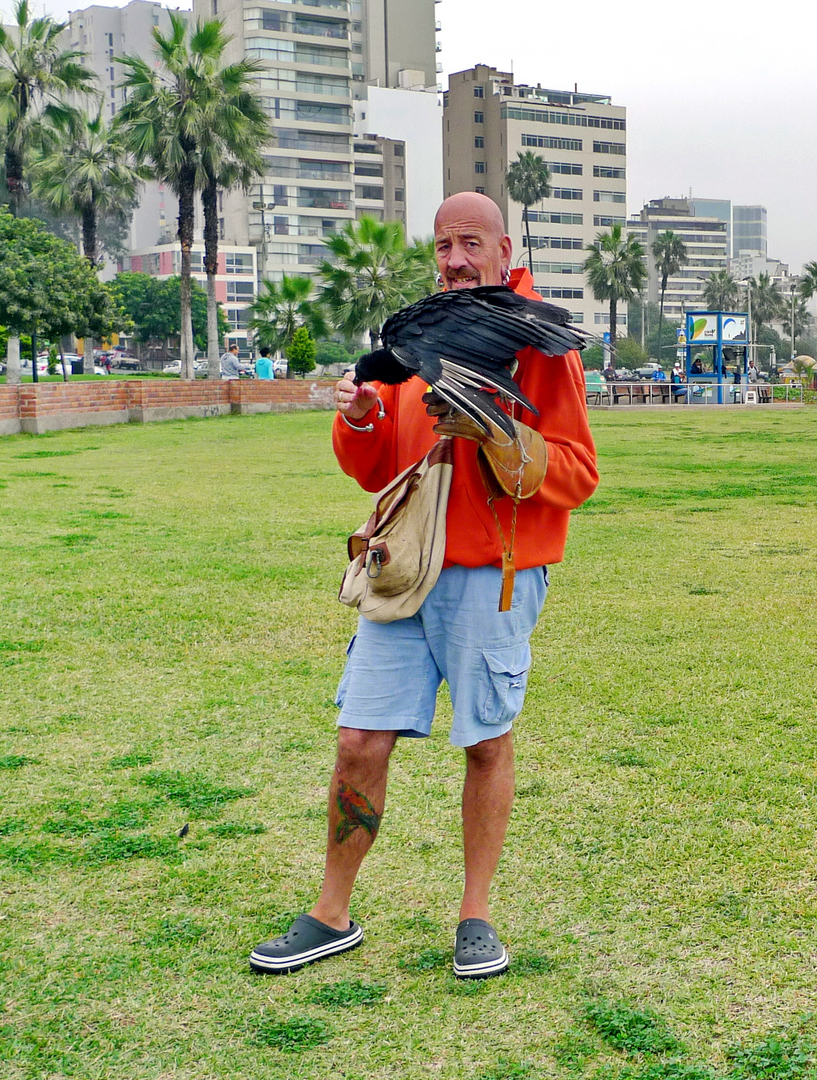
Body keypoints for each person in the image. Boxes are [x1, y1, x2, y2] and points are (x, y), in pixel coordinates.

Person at [249, 191, 599, 980]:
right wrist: (364, 414)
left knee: (484, 742)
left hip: (491, 579)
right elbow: (376, 470)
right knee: (357, 739)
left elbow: (578, 474)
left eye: (472, 243)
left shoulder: (535, 342)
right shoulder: (419, 342)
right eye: (444, 246)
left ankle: (475, 919)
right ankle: (331, 912)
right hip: (403, 570)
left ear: (505, 251)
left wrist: (501, 436)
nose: (456, 260)